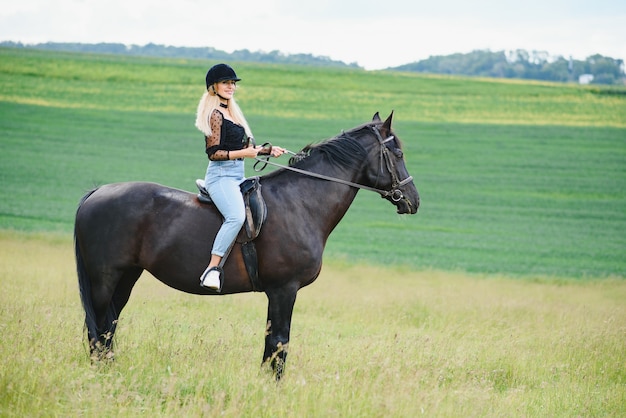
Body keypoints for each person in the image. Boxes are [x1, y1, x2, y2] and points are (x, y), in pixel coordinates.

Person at [195, 63, 284, 291]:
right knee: (236, 216)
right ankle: (212, 270)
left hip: (237, 176)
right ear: (213, 87)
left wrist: (267, 150)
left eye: (233, 83)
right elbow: (214, 154)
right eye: (226, 83)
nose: (231, 87)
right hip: (221, 177)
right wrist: (245, 153)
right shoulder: (214, 115)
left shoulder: (232, 113)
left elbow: (244, 146)